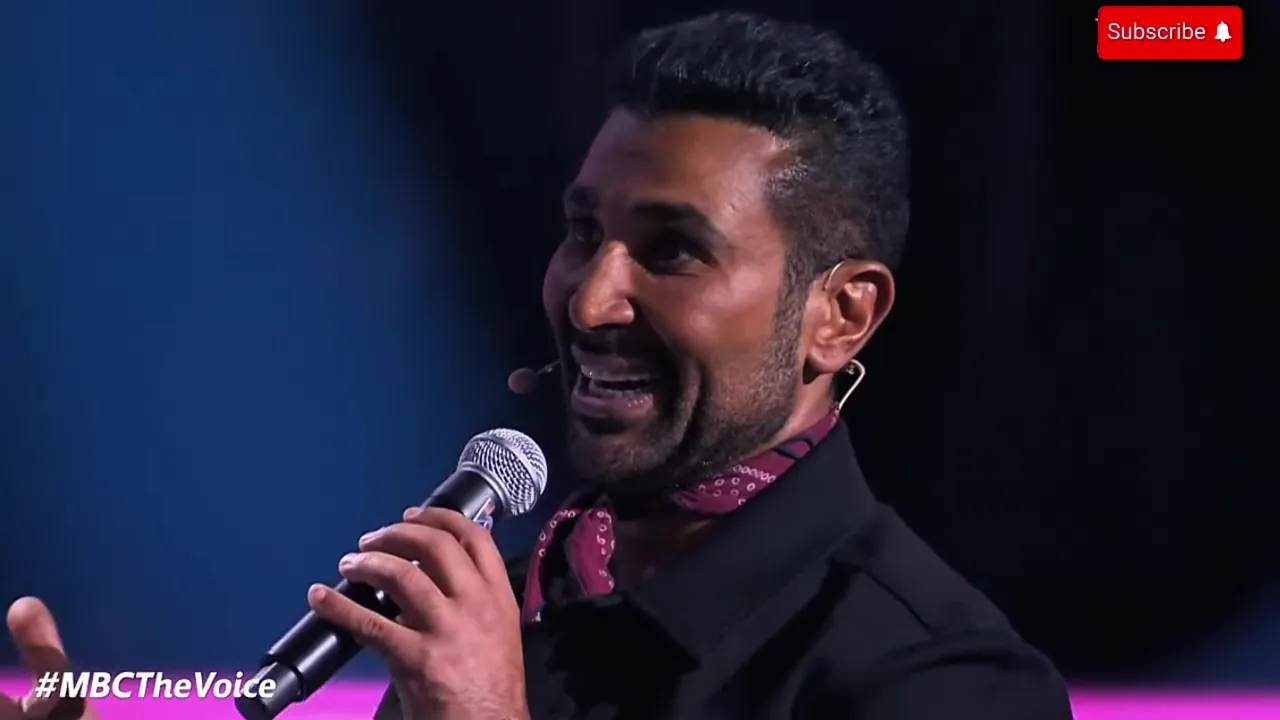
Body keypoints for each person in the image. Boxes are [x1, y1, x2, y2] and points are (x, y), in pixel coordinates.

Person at [2, 11, 1074, 720]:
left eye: (673, 251)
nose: (591, 299)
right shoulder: (504, 614)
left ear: (840, 316)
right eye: (582, 233)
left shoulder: (941, 681)